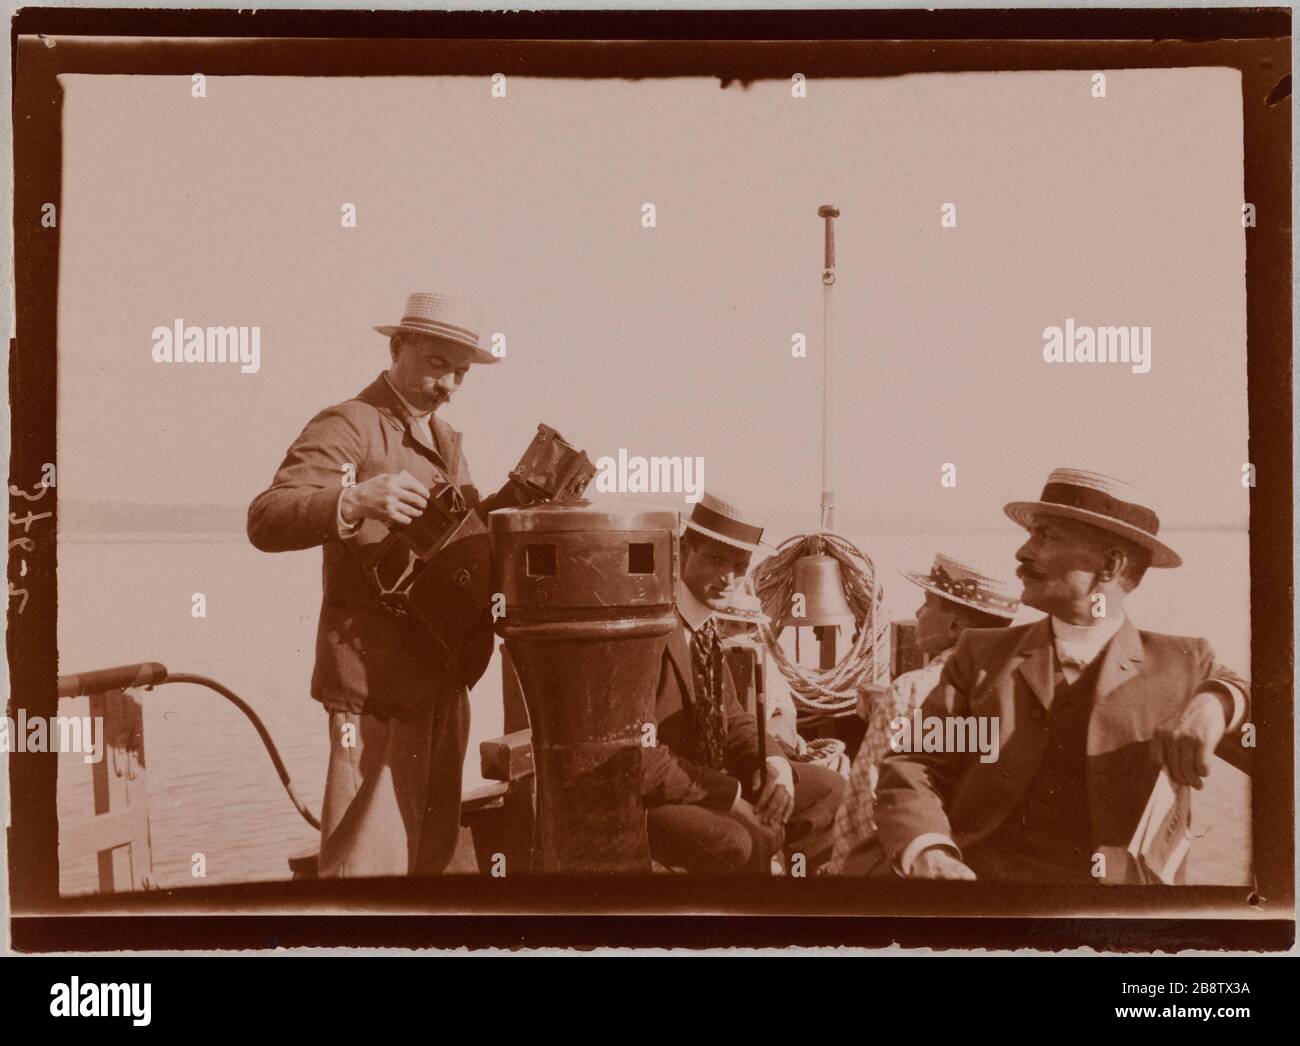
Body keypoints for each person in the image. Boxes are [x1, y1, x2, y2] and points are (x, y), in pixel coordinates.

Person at [247, 291, 519, 878]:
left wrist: (520, 511)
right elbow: (267, 517)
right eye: (438, 364)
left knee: (430, 861)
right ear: (398, 348)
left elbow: (458, 551)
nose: (449, 384)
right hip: (376, 692)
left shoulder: (446, 441)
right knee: (366, 869)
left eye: (462, 372)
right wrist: (351, 498)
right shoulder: (351, 424)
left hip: (444, 682)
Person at [872, 468, 1251, 883]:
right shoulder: (982, 655)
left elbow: (1268, 710)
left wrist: (1218, 702)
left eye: (1045, 536)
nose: (1021, 553)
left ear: (1110, 564)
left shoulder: (1182, 661)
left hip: (1122, 921)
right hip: (983, 898)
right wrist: (929, 849)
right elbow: (916, 763)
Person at [640, 492, 845, 874]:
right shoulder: (651, 630)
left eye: (739, 564)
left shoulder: (705, 629)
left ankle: (805, 905)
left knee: (828, 790)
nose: (728, 578)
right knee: (737, 840)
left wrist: (775, 768)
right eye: (716, 560)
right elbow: (643, 761)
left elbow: (733, 720)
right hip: (653, 801)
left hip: (705, 781)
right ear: (685, 551)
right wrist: (732, 798)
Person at [826, 554, 1019, 875]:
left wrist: (842, 870)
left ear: (955, 626)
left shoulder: (912, 689)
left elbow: (866, 800)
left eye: (927, 603)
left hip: (907, 866)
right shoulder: (1012, 688)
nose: (917, 613)